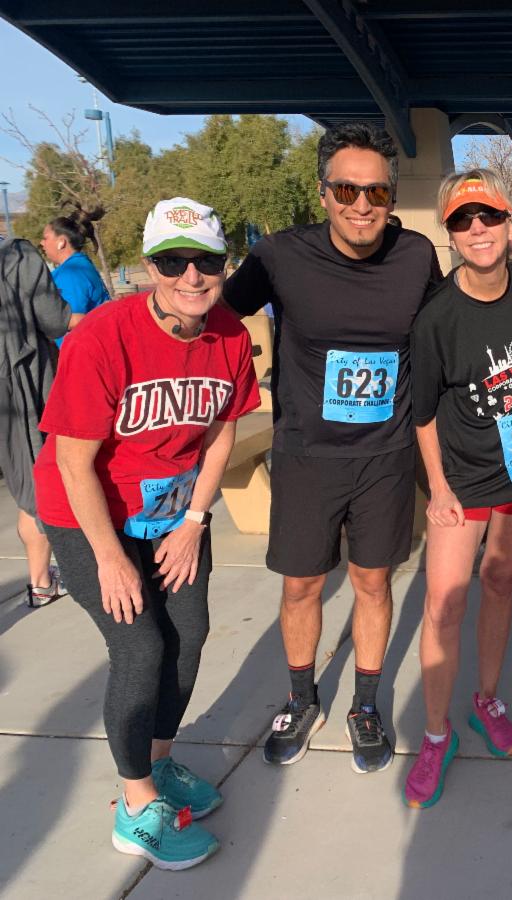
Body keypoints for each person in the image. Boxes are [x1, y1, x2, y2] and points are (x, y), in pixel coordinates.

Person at [33, 198, 260, 869]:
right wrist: (109, 557)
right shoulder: (103, 335)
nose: (191, 276)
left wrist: (195, 522)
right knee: (141, 645)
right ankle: (135, 808)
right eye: (172, 260)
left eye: (206, 261)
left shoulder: (230, 336)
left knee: (188, 635)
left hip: (172, 508)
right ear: (149, 265)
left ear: (226, 265)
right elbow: (73, 460)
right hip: (85, 510)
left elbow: (221, 434)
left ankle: (158, 765)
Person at [222, 122, 442, 774]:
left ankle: (364, 704)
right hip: (305, 454)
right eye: (347, 189)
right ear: (323, 193)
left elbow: (451, 326)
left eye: (376, 192)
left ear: (392, 197)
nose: (362, 205)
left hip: (386, 454)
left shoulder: (416, 255)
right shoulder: (279, 256)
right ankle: (300, 698)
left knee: (373, 582)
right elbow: (211, 316)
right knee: (302, 588)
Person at [405, 171, 512, 806]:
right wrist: (437, 488)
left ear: (508, 222)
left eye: (487, 218)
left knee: (500, 581)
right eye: (463, 221)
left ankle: (485, 700)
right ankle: (436, 735)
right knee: (444, 602)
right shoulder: (436, 318)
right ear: (449, 232)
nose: (477, 230)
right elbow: (419, 414)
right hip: (462, 478)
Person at [0, 237, 81, 607]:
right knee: (36, 486)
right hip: (17, 392)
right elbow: (55, 320)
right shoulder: (16, 255)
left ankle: (42, 581)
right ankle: (41, 582)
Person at [40, 209, 110, 342]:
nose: (42, 243)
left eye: (46, 238)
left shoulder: (71, 274)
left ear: (62, 242)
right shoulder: (80, 266)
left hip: (79, 356)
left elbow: (70, 320)